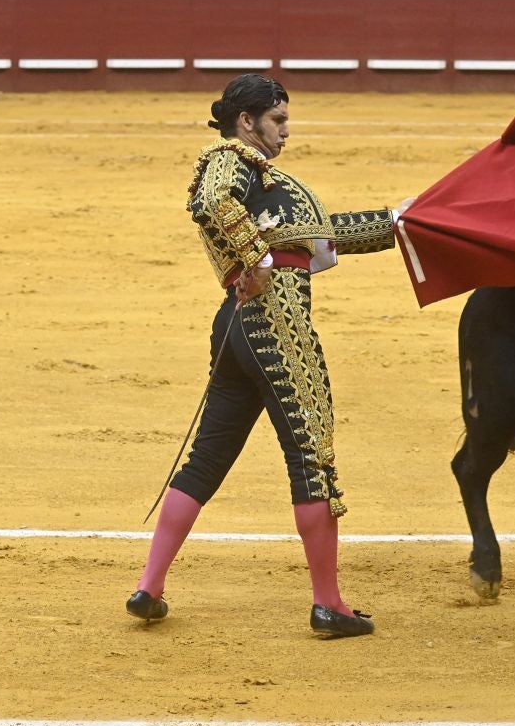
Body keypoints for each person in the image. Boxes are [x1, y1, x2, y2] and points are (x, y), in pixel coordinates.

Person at [126, 74, 406, 638]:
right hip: (276, 322)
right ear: (246, 121)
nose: (285, 132)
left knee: (208, 457)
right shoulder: (228, 159)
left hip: (237, 327)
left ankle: (148, 589)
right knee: (311, 458)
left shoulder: (262, 181)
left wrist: (399, 223)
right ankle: (328, 604)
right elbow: (212, 202)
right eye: (277, 120)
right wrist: (255, 261)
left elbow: (322, 233)